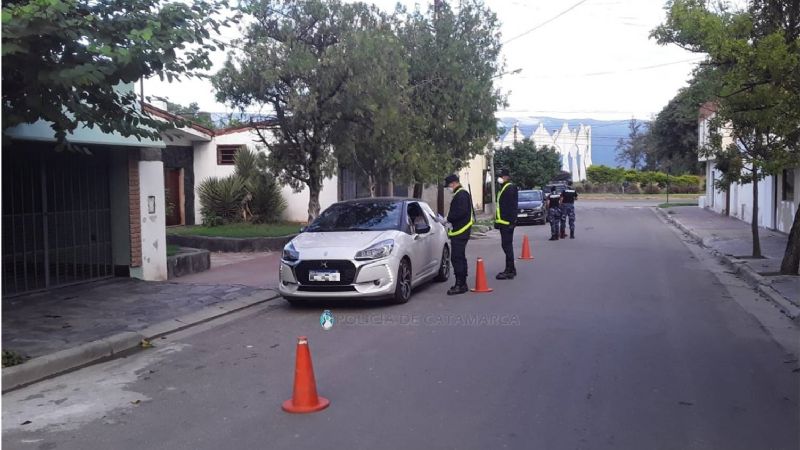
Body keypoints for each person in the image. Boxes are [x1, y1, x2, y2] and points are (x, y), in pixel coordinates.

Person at [444, 174, 473, 295]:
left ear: (453, 183)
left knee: (456, 258)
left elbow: (459, 212)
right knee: (460, 257)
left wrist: (448, 219)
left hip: (460, 232)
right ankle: (462, 283)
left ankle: (459, 284)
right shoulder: (461, 194)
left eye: (448, 186)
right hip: (460, 231)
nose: (448, 188)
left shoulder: (461, 194)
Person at [494, 168, 519, 280]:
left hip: (507, 223)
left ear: (506, 177)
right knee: (506, 246)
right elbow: (501, 207)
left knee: (507, 246)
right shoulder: (504, 188)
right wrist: (497, 222)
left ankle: (510, 270)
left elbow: (512, 207)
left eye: (500, 176)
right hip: (503, 222)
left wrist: (512, 222)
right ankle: (510, 269)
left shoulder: (510, 188)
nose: (499, 178)